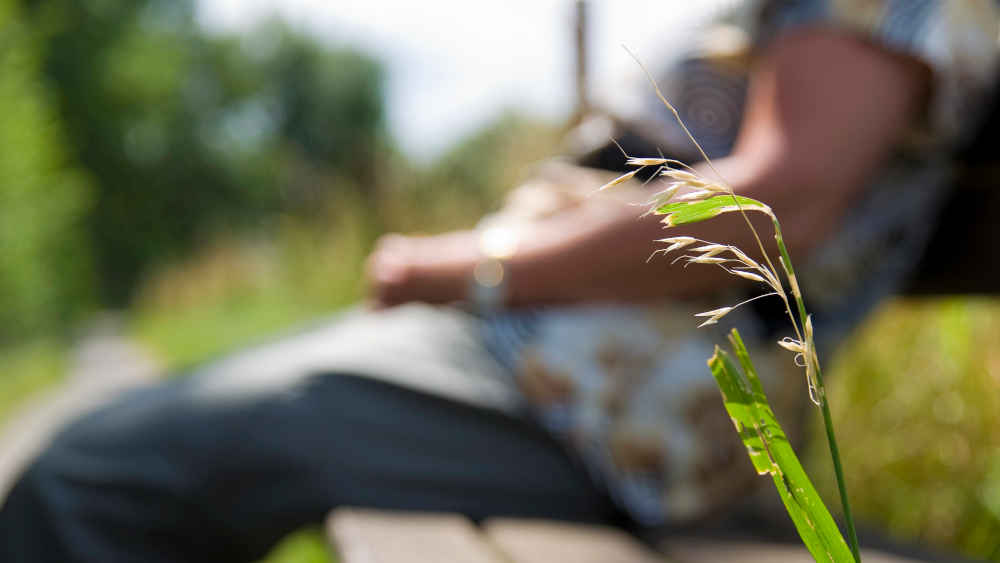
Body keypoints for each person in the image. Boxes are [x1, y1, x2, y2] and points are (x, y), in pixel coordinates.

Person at [2, 1, 997, 560]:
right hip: (563, 367)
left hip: (599, 389)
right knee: (123, 450)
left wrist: (472, 269)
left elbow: (780, 199)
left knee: (90, 479)